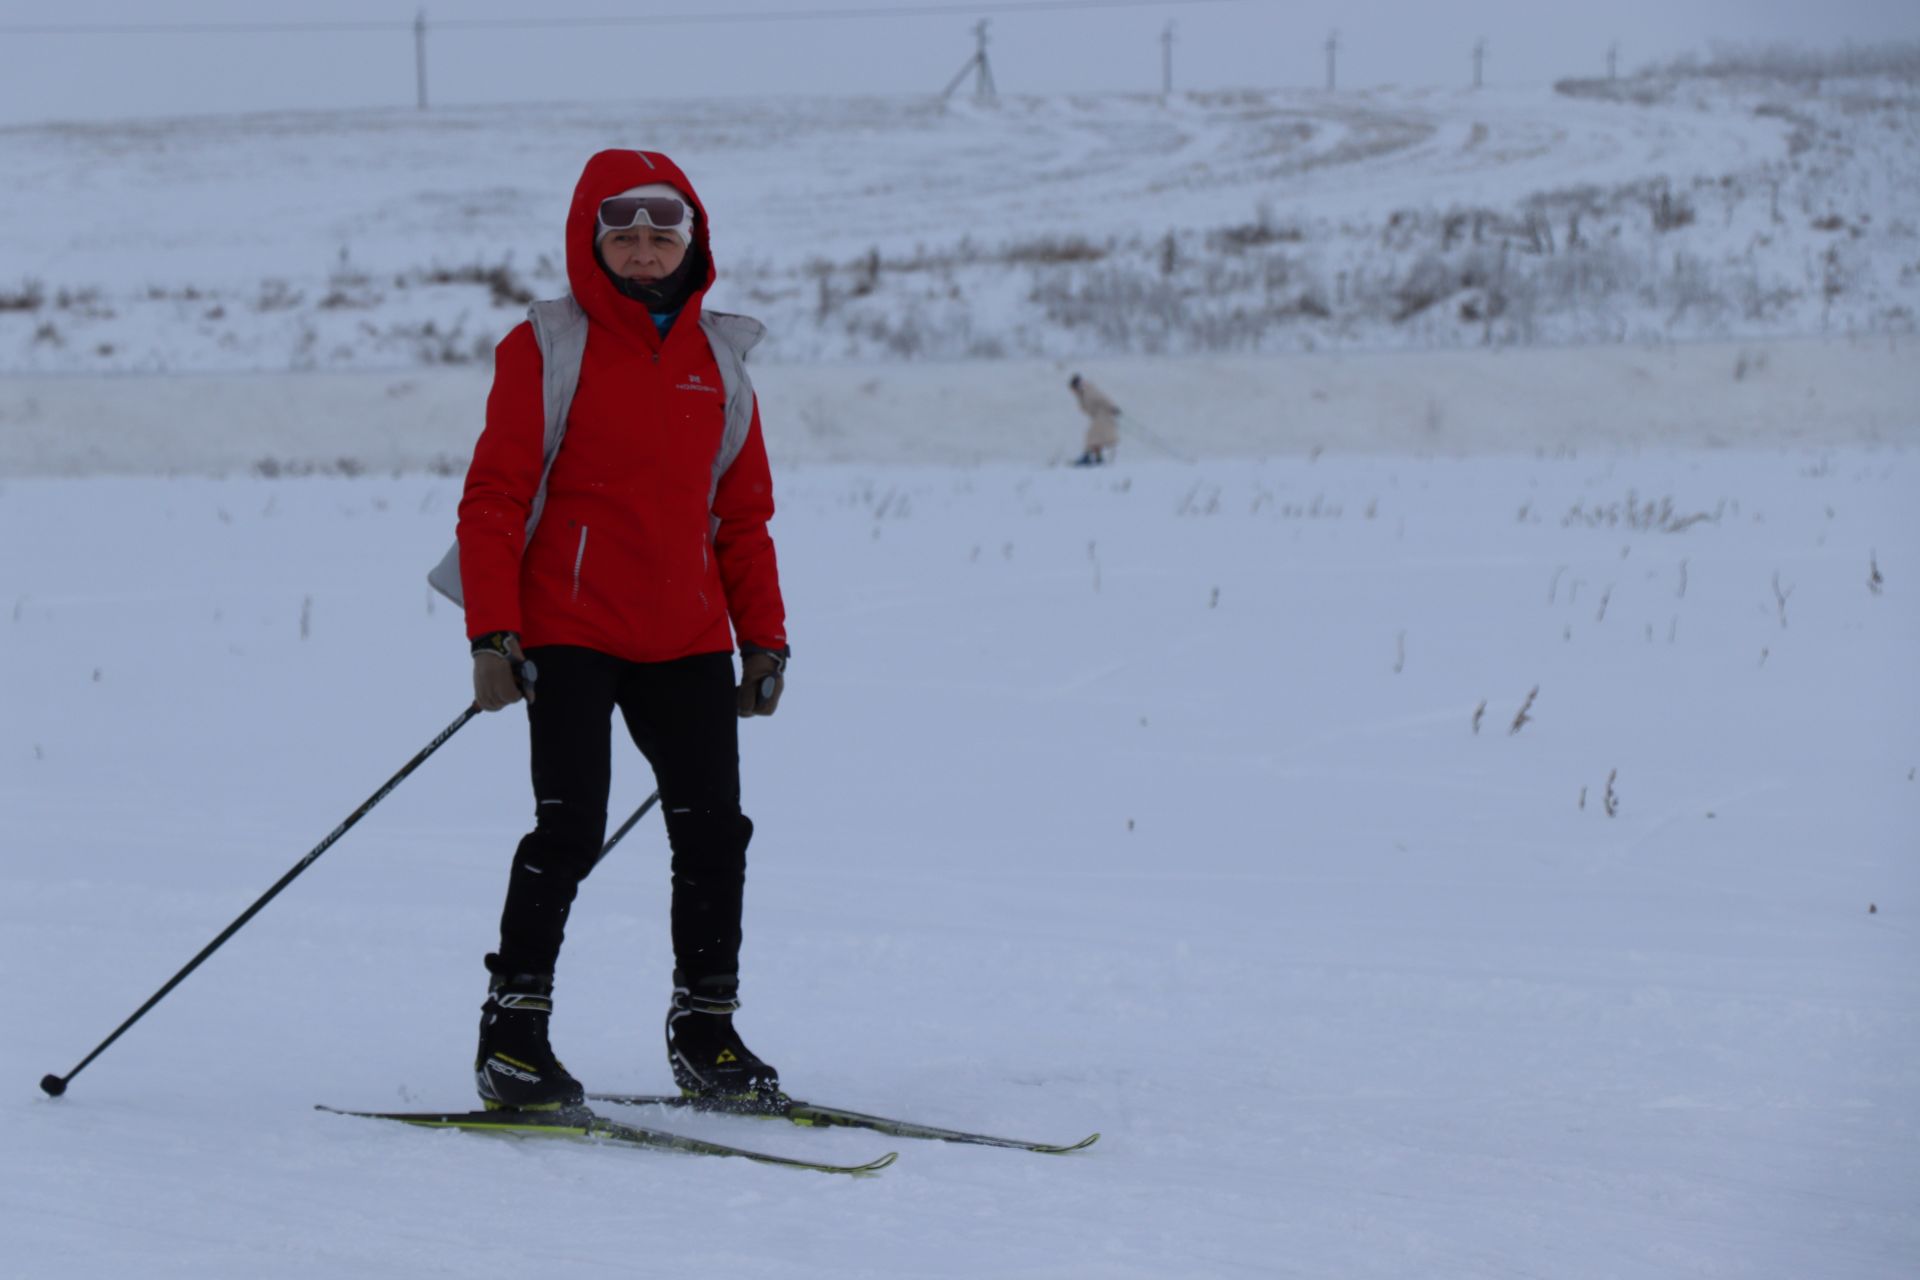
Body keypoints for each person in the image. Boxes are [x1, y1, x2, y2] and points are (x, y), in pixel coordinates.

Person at [452, 150, 789, 1114]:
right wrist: (492, 634)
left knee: (715, 834)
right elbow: (495, 496)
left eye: (661, 237)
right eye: (625, 238)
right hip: (567, 630)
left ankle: (707, 1033)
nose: (644, 255)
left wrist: (763, 639)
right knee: (569, 830)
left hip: (686, 635)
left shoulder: (719, 360)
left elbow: (743, 516)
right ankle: (513, 1039)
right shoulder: (547, 347)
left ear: (692, 244)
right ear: (592, 245)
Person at [1068, 373, 1121, 466]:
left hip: (1103, 416)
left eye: (1073, 388)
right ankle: (1097, 458)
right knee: (1095, 437)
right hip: (1098, 417)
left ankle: (1087, 457)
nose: (1073, 391)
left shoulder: (1089, 391)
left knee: (1092, 436)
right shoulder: (1082, 393)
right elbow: (1085, 408)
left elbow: (1103, 398)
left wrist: (1113, 407)